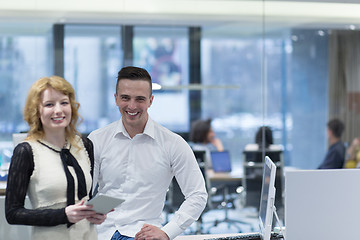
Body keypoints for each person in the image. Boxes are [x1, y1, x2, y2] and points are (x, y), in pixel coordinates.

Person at [88, 66, 207, 240]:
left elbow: (197, 194)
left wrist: (168, 232)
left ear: (151, 101)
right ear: (115, 99)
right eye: (125, 98)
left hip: (142, 234)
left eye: (140, 99)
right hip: (101, 232)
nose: (132, 106)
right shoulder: (97, 139)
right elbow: (84, 192)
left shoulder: (172, 143)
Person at [5, 76, 107, 240]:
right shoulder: (26, 151)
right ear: (36, 111)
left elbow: (85, 197)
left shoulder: (85, 145)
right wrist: (63, 215)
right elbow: (13, 213)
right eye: (49, 104)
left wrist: (95, 213)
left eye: (64, 103)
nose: (58, 110)